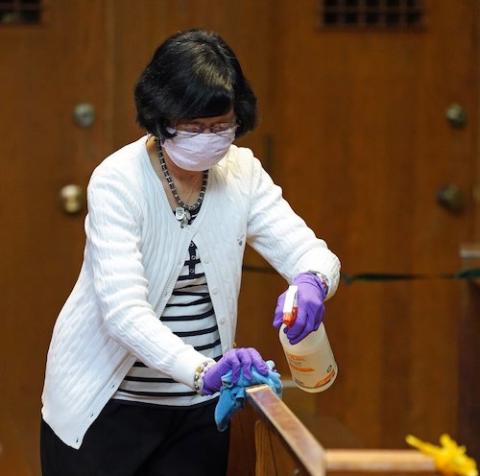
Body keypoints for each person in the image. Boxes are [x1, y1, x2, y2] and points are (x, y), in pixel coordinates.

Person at [40, 29, 340, 476]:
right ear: (161, 119)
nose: (210, 139)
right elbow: (123, 313)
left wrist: (312, 282)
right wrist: (203, 370)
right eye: (194, 128)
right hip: (108, 407)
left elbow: (311, 252)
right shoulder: (118, 180)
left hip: (199, 410)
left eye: (222, 126)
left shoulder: (242, 173)